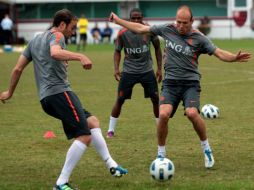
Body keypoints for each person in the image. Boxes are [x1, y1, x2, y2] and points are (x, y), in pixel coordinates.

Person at [109, 5, 251, 168]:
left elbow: (218, 52)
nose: (181, 26)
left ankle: (206, 149)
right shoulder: (168, 29)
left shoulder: (199, 38)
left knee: (191, 113)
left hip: (190, 83)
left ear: (192, 21)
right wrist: (118, 20)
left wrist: (233, 57)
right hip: (170, 84)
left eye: (185, 23)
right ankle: (161, 154)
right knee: (163, 115)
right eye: (178, 22)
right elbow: (141, 28)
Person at [0, 9, 127, 190]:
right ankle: (61, 183)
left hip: (46, 99)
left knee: (92, 122)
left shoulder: (34, 40)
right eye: (72, 28)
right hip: (59, 93)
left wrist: (9, 92)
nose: (73, 32)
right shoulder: (58, 36)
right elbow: (54, 53)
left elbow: (17, 69)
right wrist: (80, 56)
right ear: (61, 24)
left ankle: (112, 165)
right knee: (84, 136)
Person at [107, 8, 162, 138]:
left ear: (142, 18)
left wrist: (159, 68)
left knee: (155, 98)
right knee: (120, 99)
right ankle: (110, 130)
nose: (136, 20)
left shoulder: (150, 31)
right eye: (134, 18)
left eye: (139, 18)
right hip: (129, 71)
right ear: (129, 19)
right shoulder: (122, 33)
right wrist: (116, 69)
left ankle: (160, 127)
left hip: (147, 70)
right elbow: (117, 51)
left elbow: (158, 48)